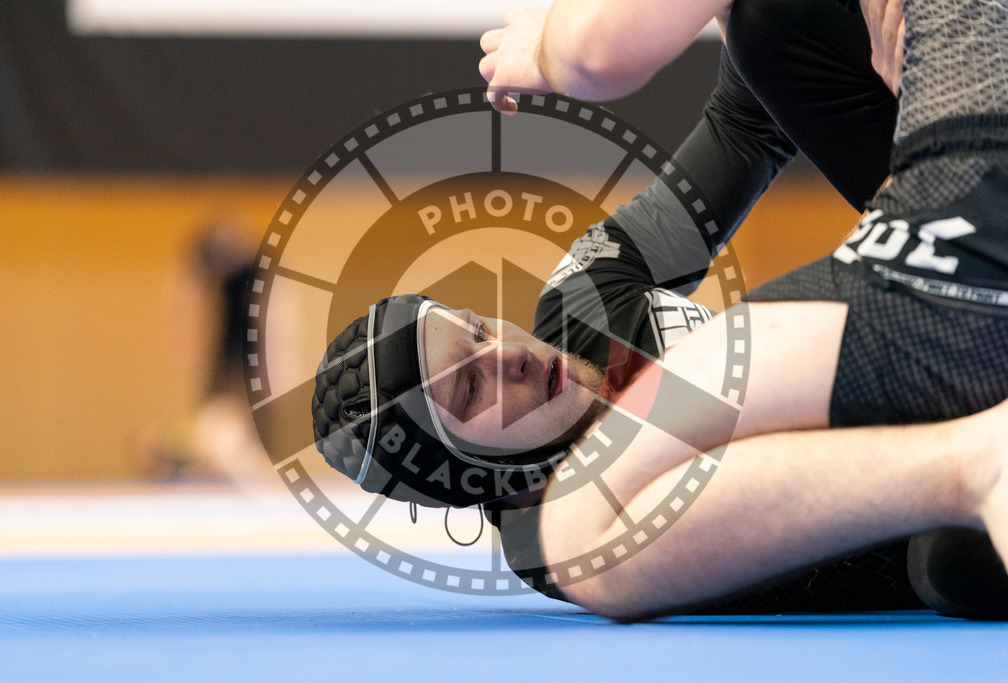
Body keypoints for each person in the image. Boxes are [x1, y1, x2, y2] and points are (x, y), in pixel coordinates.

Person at [311, 0, 1008, 617]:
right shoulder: (555, 538)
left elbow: (743, 129)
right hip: (930, 419)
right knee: (950, 565)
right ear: (460, 471)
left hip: (935, 289)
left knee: (770, 22)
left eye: (478, 329)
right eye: (472, 385)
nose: (509, 355)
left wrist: (893, 61)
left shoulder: (585, 295)